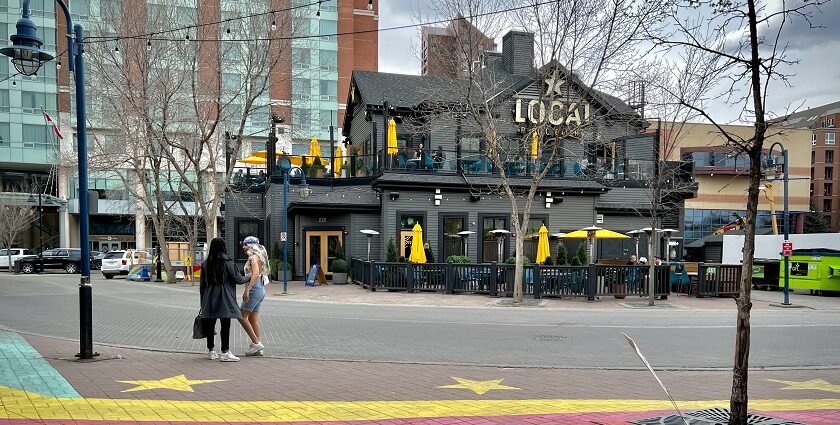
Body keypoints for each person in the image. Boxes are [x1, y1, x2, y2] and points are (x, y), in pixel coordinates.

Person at [200, 238, 248, 362]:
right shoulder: (228, 262)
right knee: (225, 324)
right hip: (224, 296)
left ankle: (211, 351)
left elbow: (202, 285)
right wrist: (250, 276)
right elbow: (238, 279)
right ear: (223, 247)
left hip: (209, 296)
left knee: (210, 324)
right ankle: (225, 351)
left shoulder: (206, 263)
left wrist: (202, 302)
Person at [240, 236, 269, 356]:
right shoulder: (261, 257)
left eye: (245, 245)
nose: (243, 247)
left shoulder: (252, 258)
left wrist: (247, 289)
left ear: (251, 246)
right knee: (253, 319)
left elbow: (256, 273)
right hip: (261, 289)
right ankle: (258, 348)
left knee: (241, 315)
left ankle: (256, 343)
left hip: (255, 288)